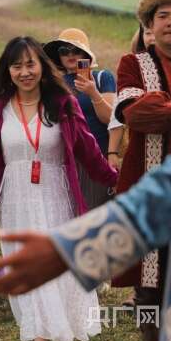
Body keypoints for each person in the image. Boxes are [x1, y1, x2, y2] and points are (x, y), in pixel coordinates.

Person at [0, 37, 117, 341]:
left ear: (42, 66)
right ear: (7, 70)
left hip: (55, 199)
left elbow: (88, 149)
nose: (24, 72)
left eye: (31, 64)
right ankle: (38, 338)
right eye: (17, 66)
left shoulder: (63, 104)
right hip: (16, 203)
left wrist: (116, 179)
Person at [106, 0, 171, 341]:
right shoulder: (133, 64)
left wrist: (166, 105)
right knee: (149, 289)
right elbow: (138, 115)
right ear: (150, 25)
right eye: (162, 15)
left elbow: (155, 109)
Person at [44, 29, 116, 209]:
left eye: (76, 50)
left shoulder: (102, 77)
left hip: (98, 157)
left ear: (85, 54)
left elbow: (110, 119)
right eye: (64, 51)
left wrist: (93, 93)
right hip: (66, 158)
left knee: (95, 212)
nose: (70, 55)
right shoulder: (54, 84)